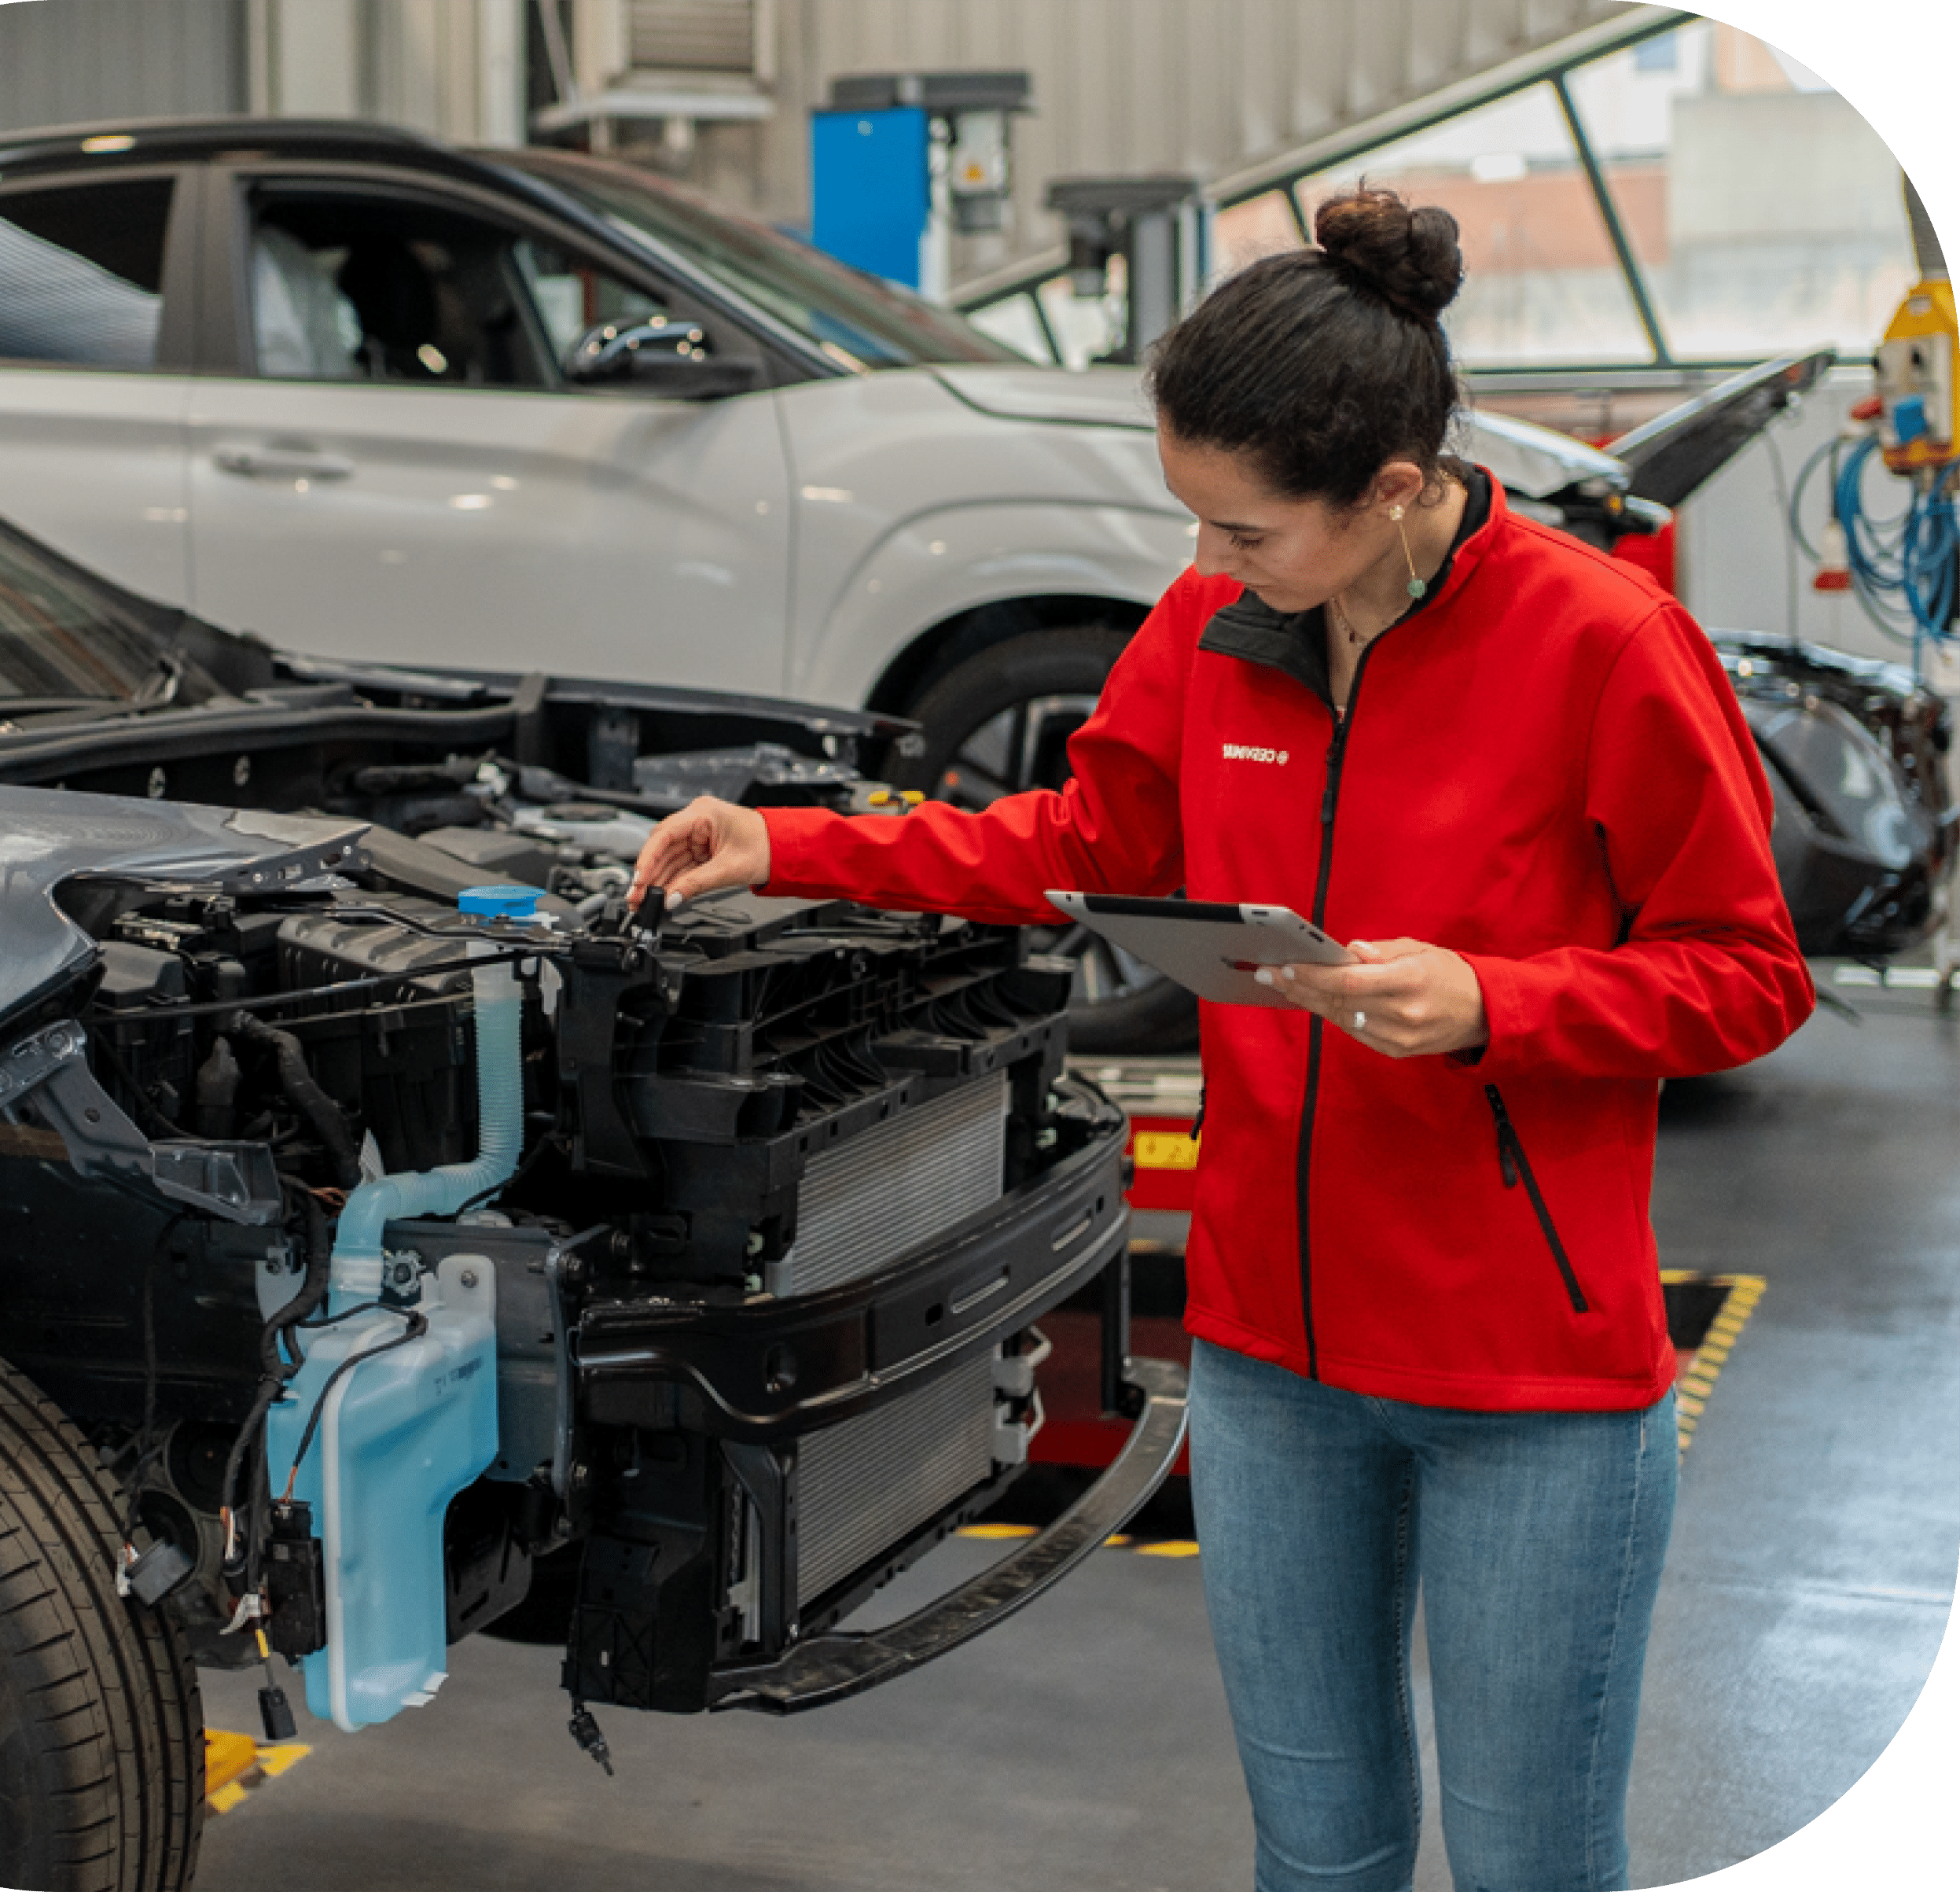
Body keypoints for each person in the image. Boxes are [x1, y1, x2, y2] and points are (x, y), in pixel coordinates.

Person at [627, 188, 1815, 1892]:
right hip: (1272, 1361)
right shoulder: (1213, 632)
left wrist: (1497, 1003)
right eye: (1190, 520)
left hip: (1531, 1384)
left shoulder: (1605, 645)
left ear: (1389, 490)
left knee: (1531, 1860)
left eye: (1243, 531)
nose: (1201, 566)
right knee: (1317, 1855)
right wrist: (789, 843)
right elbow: (1075, 844)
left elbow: (1747, 972)